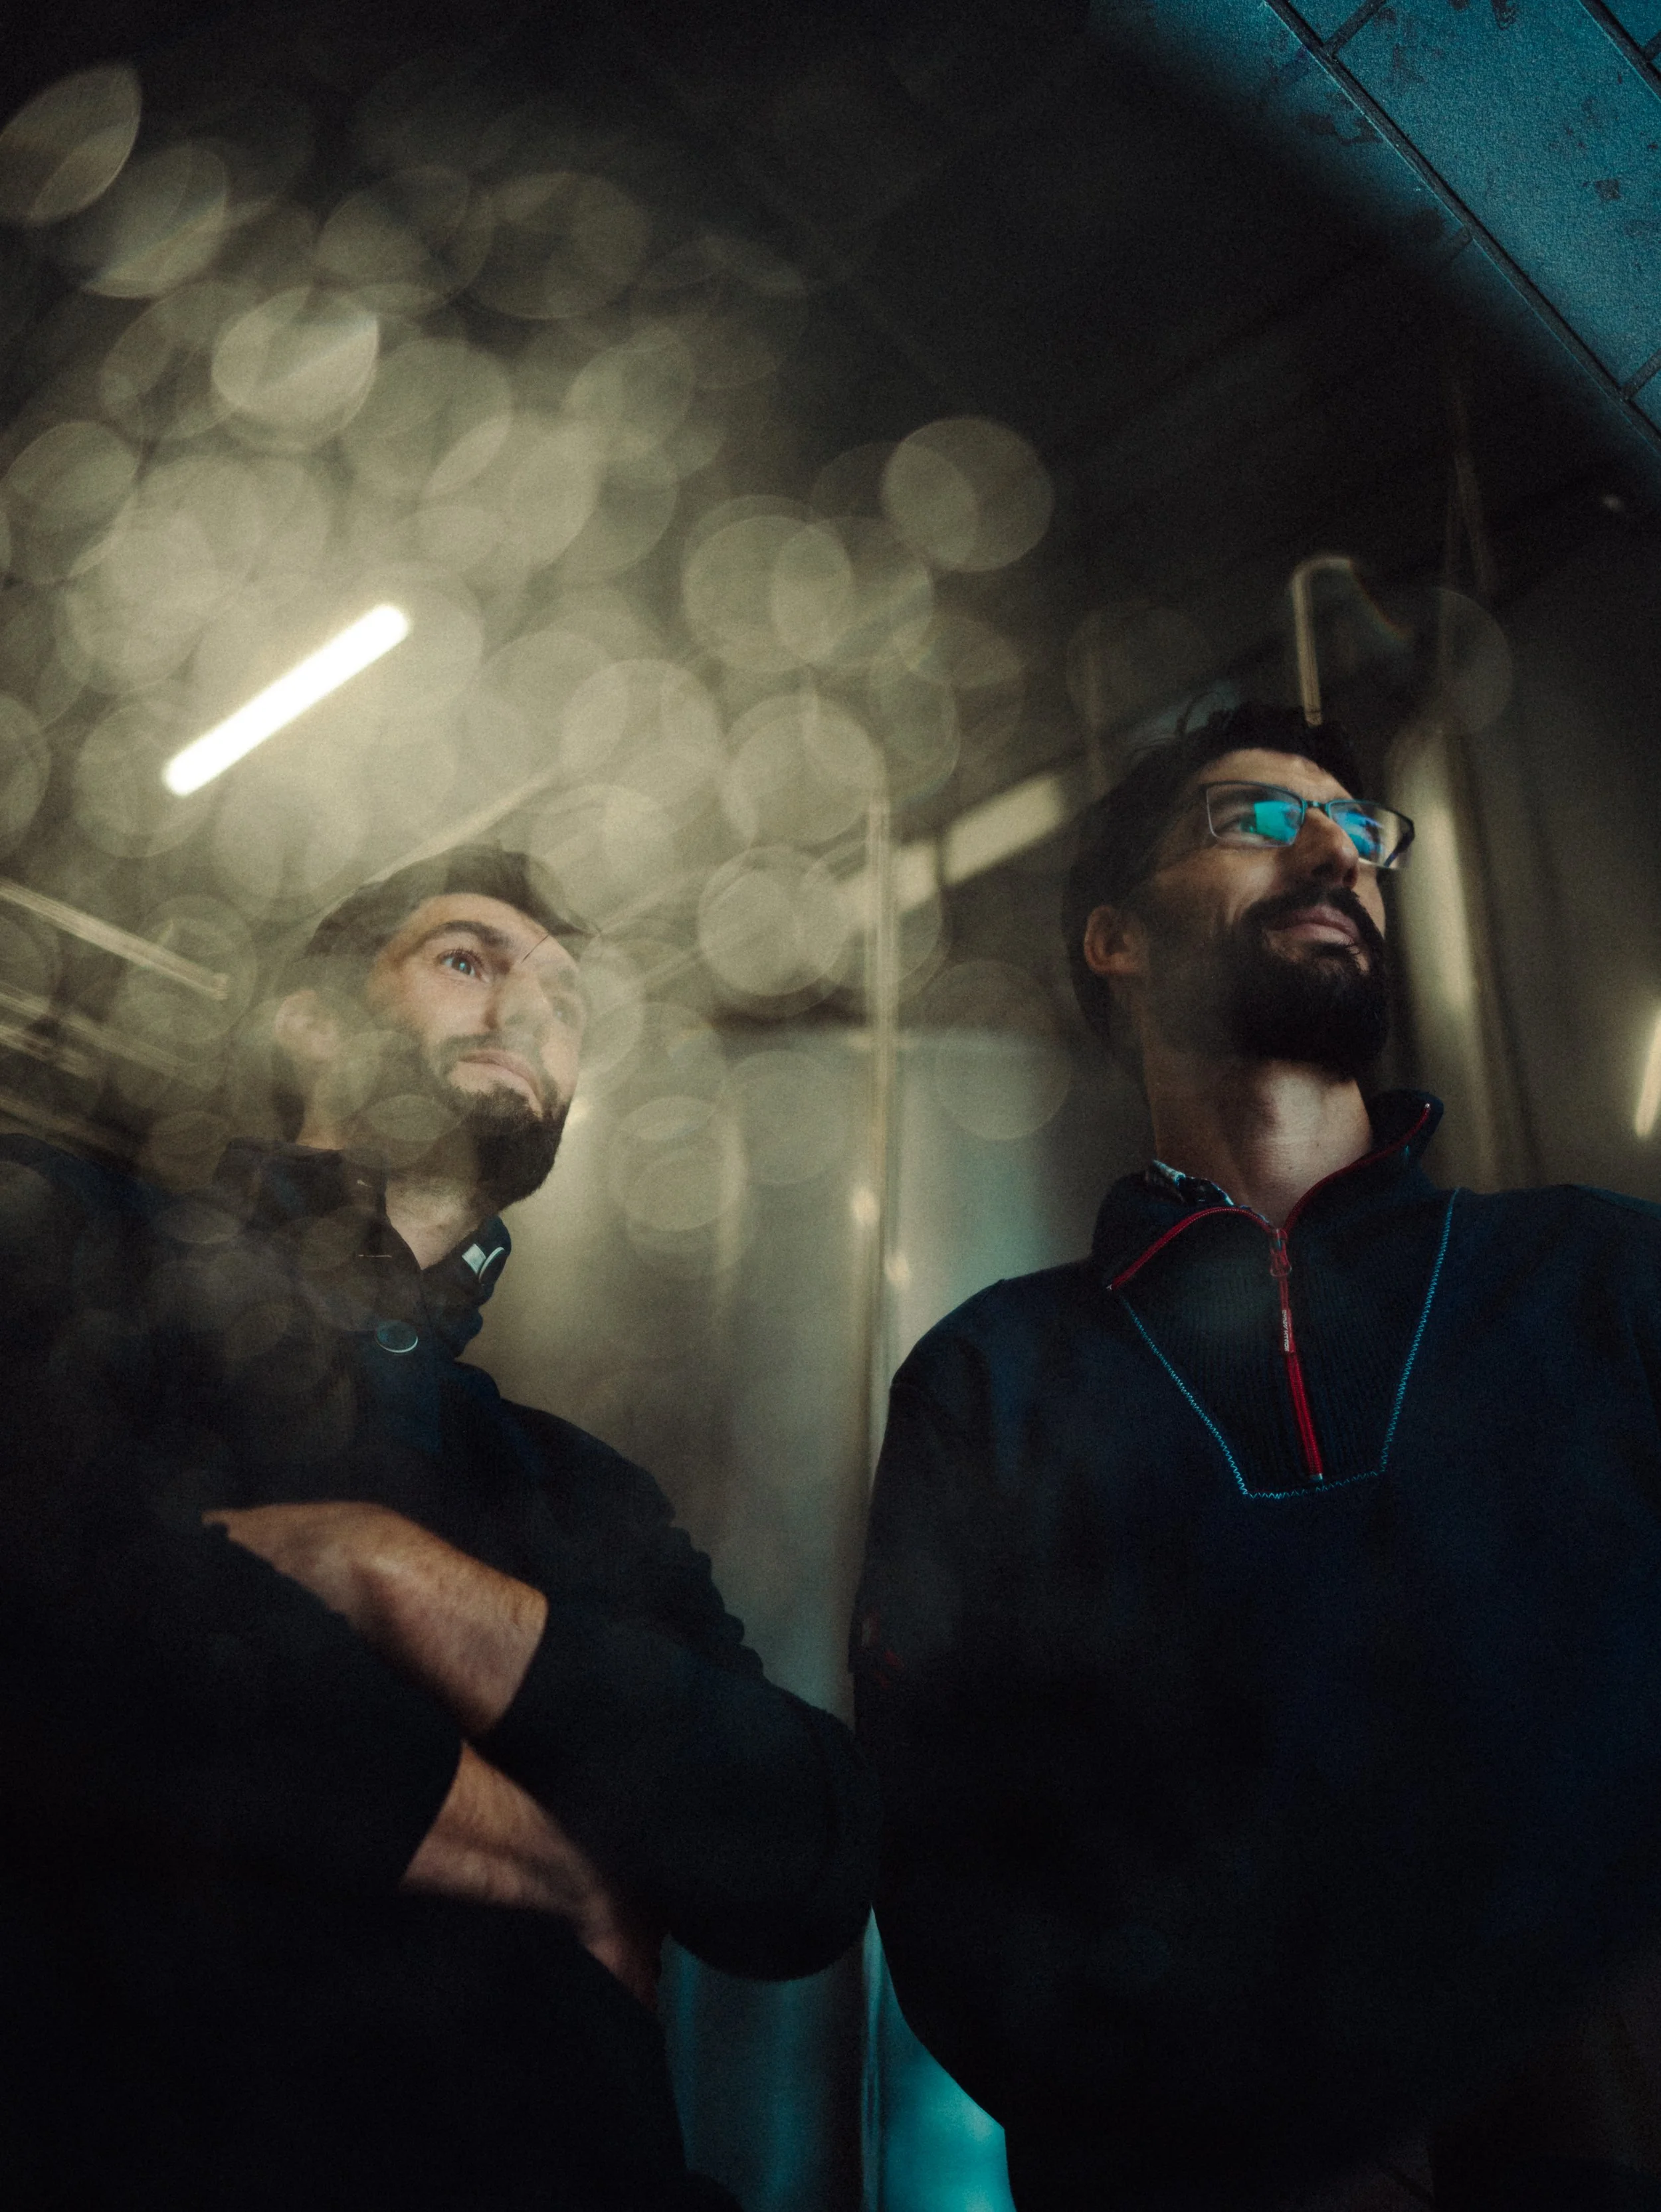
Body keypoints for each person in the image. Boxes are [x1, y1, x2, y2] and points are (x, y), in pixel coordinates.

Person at [852, 701, 1661, 2212]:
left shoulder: (1602, 1284)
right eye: (1255, 821)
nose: (1331, 858)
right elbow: (944, 1850)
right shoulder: (997, 1379)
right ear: (1114, 939)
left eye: (1361, 835)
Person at [0, 844, 877, 2212]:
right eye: (466, 959)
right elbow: (59, 1630)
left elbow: (804, 1861)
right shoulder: (74, 1254)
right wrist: (558, 1851)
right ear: (311, 1022)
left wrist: (383, 1574)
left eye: (568, 1001)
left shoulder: (580, 1487)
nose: (528, 1010)